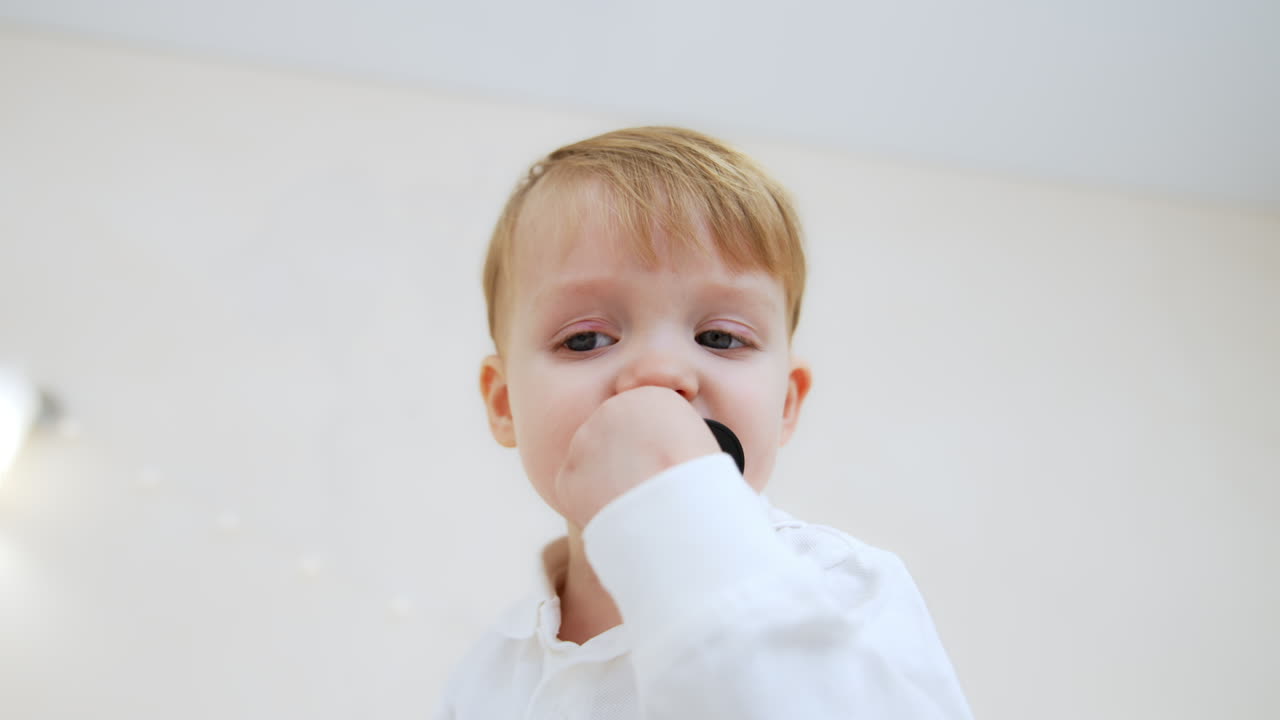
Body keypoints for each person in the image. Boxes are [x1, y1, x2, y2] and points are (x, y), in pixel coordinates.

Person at [434, 127, 973, 719]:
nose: (661, 374)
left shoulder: (844, 584)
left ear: (786, 406)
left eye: (720, 338)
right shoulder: (491, 671)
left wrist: (679, 513)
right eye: (585, 339)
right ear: (505, 404)